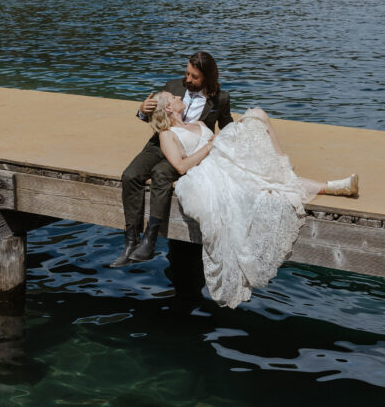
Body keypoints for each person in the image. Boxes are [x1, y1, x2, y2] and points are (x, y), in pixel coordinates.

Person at [147, 91, 358, 308]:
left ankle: (322, 183)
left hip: (223, 159)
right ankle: (332, 186)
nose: (178, 96)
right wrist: (210, 145)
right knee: (267, 183)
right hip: (209, 171)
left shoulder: (198, 122)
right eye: (172, 97)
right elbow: (181, 167)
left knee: (257, 117)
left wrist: (219, 143)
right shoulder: (167, 134)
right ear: (169, 109)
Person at [110, 51, 233, 267]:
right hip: (160, 143)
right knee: (130, 175)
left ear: (207, 77)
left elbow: (227, 125)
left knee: (162, 173)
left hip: (188, 148)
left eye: (194, 76)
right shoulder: (173, 87)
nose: (188, 80)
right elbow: (156, 114)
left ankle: (150, 239)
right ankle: (131, 241)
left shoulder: (220, 99)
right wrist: (141, 111)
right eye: (187, 74)